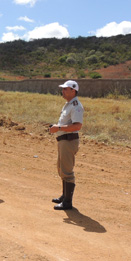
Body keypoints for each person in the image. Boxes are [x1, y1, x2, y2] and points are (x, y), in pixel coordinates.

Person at [49, 80, 84, 210]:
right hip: (63, 140)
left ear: (73, 91)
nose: (63, 91)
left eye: (65, 89)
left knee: (67, 171)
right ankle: (64, 196)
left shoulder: (76, 106)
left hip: (69, 141)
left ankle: (68, 202)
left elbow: (77, 125)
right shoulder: (68, 104)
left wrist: (58, 128)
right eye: (63, 89)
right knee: (61, 168)